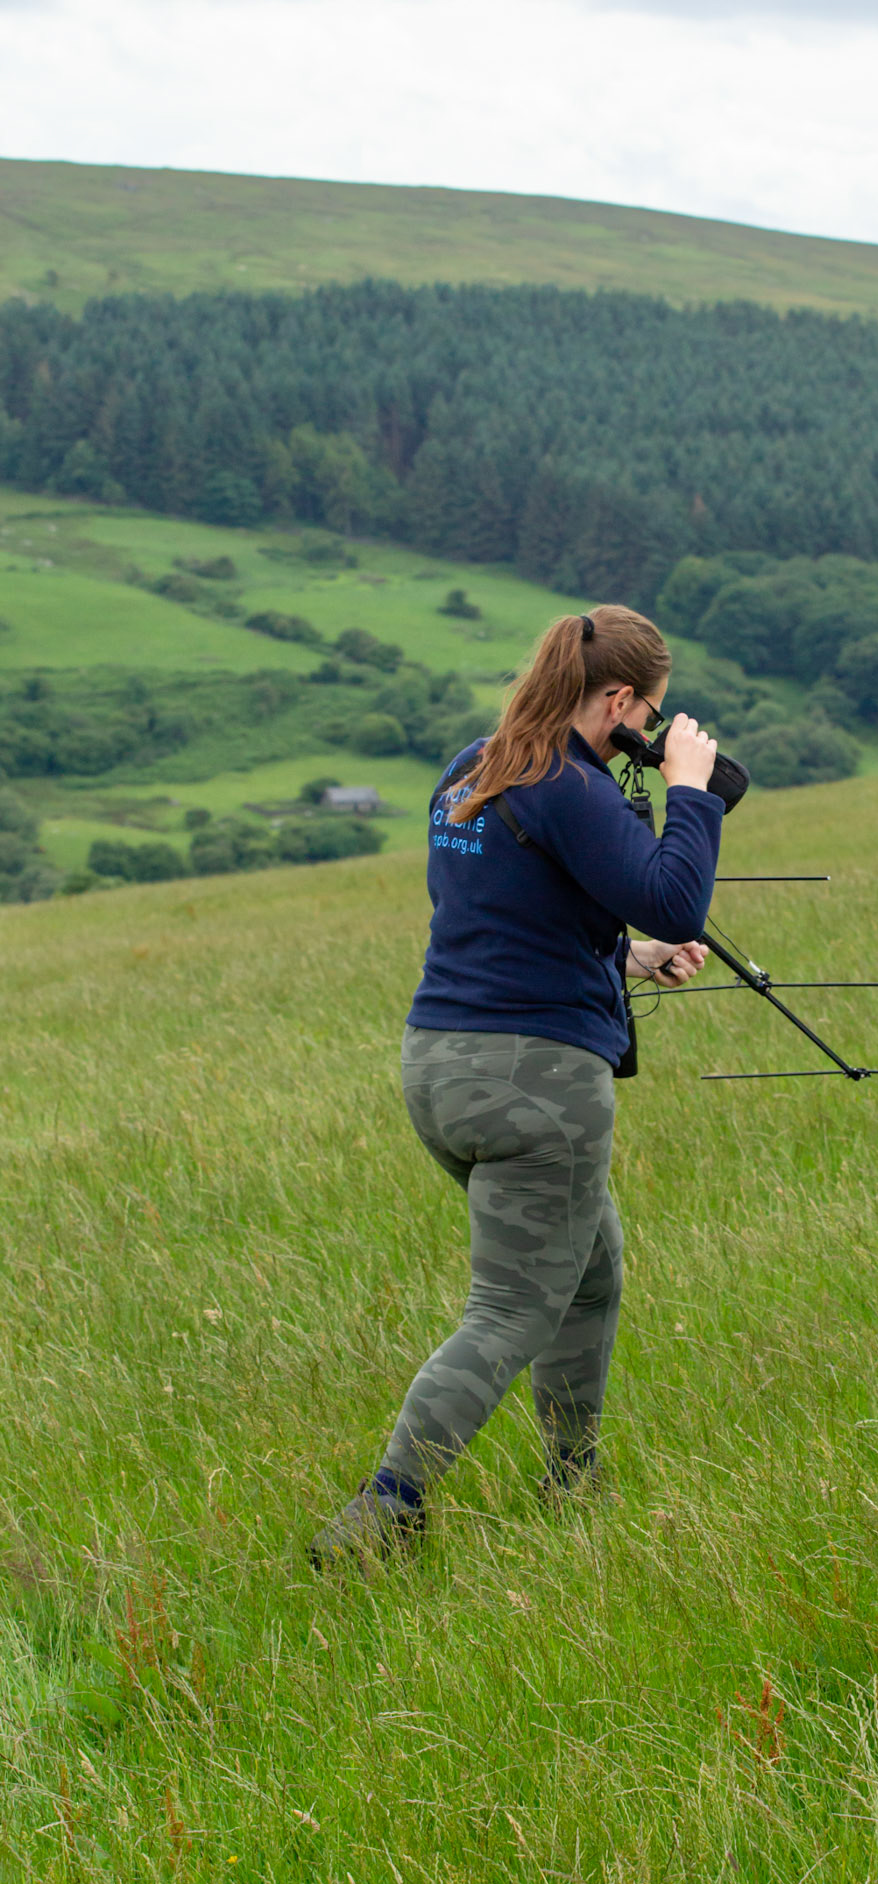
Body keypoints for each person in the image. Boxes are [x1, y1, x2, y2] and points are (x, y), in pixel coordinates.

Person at [311, 604, 722, 1565]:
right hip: (536, 1083)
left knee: (590, 1272)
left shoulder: (475, 764)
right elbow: (672, 890)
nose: (648, 733)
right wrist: (690, 790)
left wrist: (629, 956)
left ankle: (572, 1480)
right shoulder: (572, 787)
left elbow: (508, 912)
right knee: (509, 1310)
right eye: (648, 713)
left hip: (438, 1065)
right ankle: (385, 1509)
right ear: (618, 699)